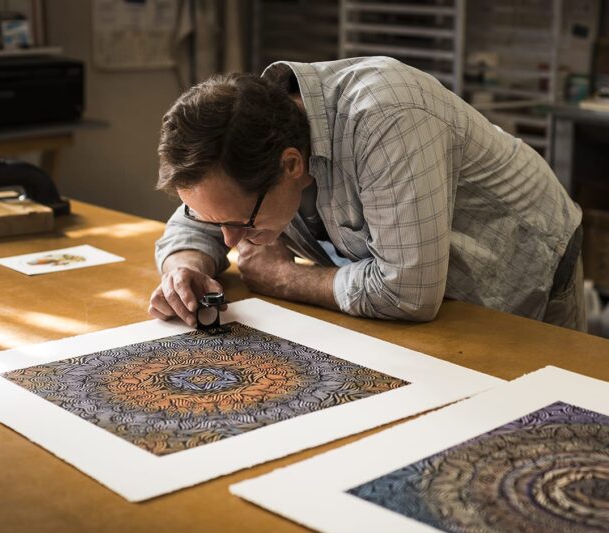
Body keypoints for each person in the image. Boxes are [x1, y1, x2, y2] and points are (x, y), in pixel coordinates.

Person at [148, 56, 585, 330]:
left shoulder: (386, 120)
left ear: (291, 165)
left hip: (521, 258)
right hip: (430, 291)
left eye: (242, 223)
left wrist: (283, 278)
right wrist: (182, 267)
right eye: (215, 223)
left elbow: (407, 293)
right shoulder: (243, 148)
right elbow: (204, 216)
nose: (229, 241)